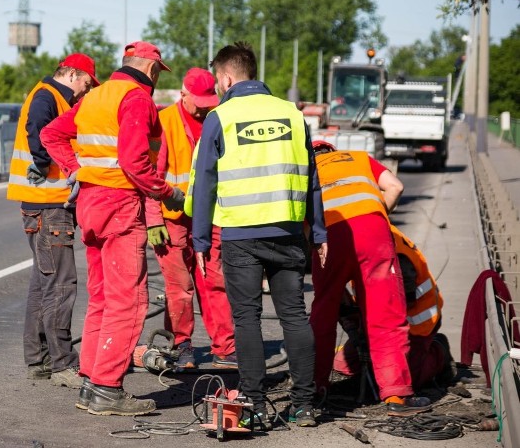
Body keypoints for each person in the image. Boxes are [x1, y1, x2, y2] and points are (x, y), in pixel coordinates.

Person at [186, 42, 326, 429]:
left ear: (228, 77)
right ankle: (304, 406)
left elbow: (204, 184)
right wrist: (318, 232)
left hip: (241, 235)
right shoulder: (292, 115)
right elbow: (313, 179)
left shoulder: (221, 117)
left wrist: (199, 240)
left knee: (246, 318)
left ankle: (255, 404)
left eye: (217, 79)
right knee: (294, 317)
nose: (216, 86)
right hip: (287, 229)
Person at [40, 41, 183, 416]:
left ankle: (91, 379)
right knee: (127, 300)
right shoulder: (136, 98)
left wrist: (76, 170)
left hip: (90, 203)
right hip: (119, 204)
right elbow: (135, 162)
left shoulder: (96, 96)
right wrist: (167, 192)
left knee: (102, 296)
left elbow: (51, 134)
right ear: (153, 70)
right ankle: (106, 388)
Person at [309, 140, 431, 417]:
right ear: (334, 151)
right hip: (373, 233)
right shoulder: (358, 158)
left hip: (328, 239)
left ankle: (313, 392)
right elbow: (396, 187)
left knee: (323, 316)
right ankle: (397, 396)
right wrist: (376, 215)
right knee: (386, 316)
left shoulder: (305, 167)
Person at [6, 53, 99, 390]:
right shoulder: (47, 96)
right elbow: (40, 133)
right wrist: (45, 164)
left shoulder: (50, 95)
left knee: (42, 283)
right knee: (61, 283)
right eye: (87, 83)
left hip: (40, 204)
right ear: (74, 75)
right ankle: (61, 363)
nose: (86, 91)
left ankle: (40, 359)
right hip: (49, 204)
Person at [146, 68, 237, 371]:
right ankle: (181, 345)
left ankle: (225, 347)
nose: (203, 106)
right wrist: (153, 217)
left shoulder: (217, 119)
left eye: (207, 100)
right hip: (173, 218)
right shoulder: (165, 121)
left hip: (210, 215)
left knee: (215, 281)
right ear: (182, 94)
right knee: (180, 286)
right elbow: (151, 174)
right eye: (197, 101)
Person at [333, 224, 451, 390]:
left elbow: (401, 307)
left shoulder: (395, 254)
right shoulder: (360, 239)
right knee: (344, 366)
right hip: (380, 323)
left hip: (415, 327)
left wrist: (378, 342)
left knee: (407, 380)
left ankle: (440, 351)